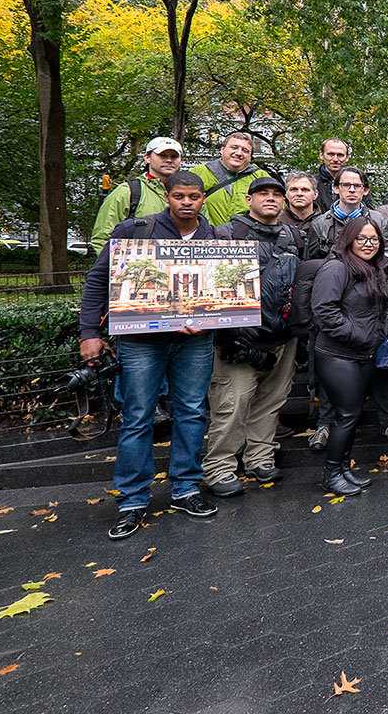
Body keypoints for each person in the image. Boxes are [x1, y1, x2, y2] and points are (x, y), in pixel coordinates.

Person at [79, 170, 221, 540]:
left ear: (203, 198)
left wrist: (211, 321)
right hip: (141, 340)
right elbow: (99, 279)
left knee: (191, 413)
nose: (186, 202)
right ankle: (132, 500)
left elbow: (224, 293)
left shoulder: (216, 237)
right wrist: (89, 333)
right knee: (137, 416)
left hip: (194, 341)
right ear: (167, 195)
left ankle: (186, 488)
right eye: (179, 196)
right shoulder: (134, 231)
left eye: (194, 196)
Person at [203, 176, 305, 498]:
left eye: (277, 193)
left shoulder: (294, 237)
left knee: (271, 401)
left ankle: (259, 457)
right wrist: (227, 333)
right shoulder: (226, 234)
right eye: (263, 193)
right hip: (238, 337)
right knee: (232, 403)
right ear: (249, 200)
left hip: (283, 337)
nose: (271, 198)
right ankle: (219, 467)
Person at [310, 219, 388, 496]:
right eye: (361, 239)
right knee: (346, 415)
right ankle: (331, 473)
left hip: (363, 352)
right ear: (348, 239)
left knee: (353, 414)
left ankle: (343, 469)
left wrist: (381, 332)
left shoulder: (374, 269)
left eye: (374, 239)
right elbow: (324, 310)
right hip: (337, 353)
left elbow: (381, 310)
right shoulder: (335, 268)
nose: (368, 244)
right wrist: (357, 335)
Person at [90, 136, 183, 251]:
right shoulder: (127, 192)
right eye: (162, 155)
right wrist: (116, 267)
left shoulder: (192, 195)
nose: (169, 160)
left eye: (174, 156)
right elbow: (102, 238)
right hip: (136, 266)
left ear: (180, 161)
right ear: (147, 158)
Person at [304, 167, 388, 261]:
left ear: (365, 190)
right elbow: (312, 262)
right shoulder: (320, 224)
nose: (352, 190)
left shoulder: (378, 220)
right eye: (346, 185)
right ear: (336, 188)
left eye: (357, 186)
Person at [193, 131, 271, 226]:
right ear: (222, 150)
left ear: (250, 157)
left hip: (249, 238)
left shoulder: (261, 177)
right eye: (234, 147)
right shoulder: (199, 173)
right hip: (209, 236)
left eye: (245, 151)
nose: (239, 153)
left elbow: (277, 207)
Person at [313, 137, 354, 213]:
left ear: (347, 157)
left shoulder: (357, 183)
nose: (335, 159)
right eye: (331, 154)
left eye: (340, 155)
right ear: (321, 155)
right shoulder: (311, 183)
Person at [279, 171, 320, 237]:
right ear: (286, 194)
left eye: (305, 190)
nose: (299, 194)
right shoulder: (276, 222)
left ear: (315, 194)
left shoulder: (326, 223)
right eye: (294, 189)